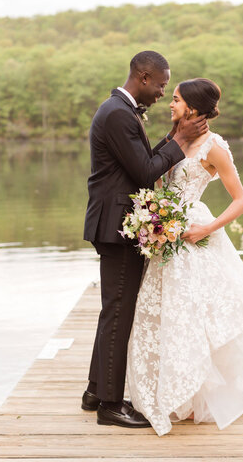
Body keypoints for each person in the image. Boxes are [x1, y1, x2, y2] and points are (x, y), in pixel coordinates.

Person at [126, 78, 243, 436]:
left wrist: (207, 229)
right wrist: (153, 217)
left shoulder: (214, 147)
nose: (170, 105)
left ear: (194, 108)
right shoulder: (172, 138)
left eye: (175, 100)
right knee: (166, 311)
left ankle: (198, 392)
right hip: (165, 237)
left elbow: (241, 200)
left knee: (194, 312)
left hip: (196, 234)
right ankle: (174, 387)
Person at [81, 51, 208, 428]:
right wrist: (181, 140)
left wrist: (171, 136)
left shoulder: (120, 108)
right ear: (144, 75)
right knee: (119, 313)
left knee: (114, 310)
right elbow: (144, 172)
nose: (162, 93)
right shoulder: (118, 112)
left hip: (116, 223)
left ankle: (94, 391)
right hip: (116, 227)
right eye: (162, 85)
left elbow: (141, 159)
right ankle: (109, 405)